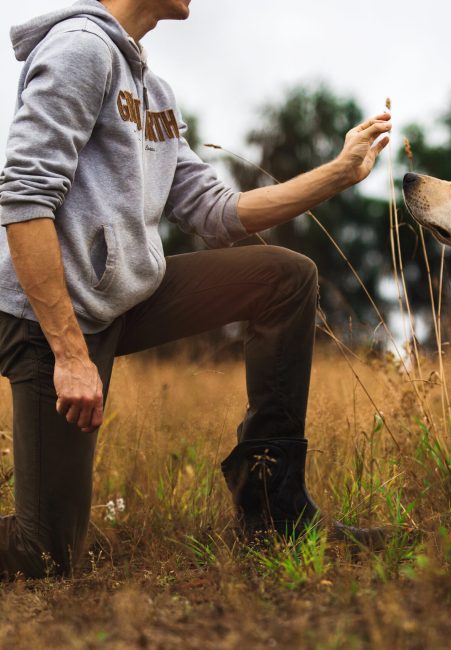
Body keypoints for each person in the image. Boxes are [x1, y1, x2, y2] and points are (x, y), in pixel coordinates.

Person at [0, 0, 392, 579]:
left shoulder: (153, 92)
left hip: (124, 299)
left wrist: (339, 171)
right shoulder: (80, 50)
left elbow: (217, 212)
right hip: (47, 316)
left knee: (284, 278)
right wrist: (69, 354)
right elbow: (24, 197)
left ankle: (272, 509)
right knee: (47, 554)